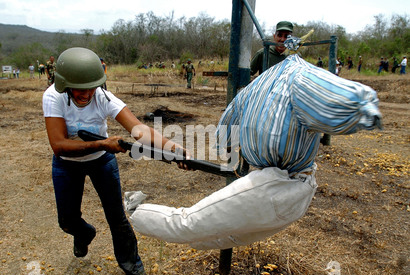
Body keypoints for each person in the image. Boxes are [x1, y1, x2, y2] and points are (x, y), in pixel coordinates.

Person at [127, 54, 382, 251]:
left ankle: (131, 210)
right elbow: (229, 121)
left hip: (278, 184)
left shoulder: (288, 81)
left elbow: (339, 97)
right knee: (223, 236)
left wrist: (363, 107)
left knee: (188, 224)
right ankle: (148, 218)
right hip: (293, 186)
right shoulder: (272, 83)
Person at [42, 47, 188, 275]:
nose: (87, 93)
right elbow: (58, 145)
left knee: (117, 217)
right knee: (67, 221)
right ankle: (83, 233)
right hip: (67, 164)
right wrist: (103, 143)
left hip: (101, 161)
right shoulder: (53, 97)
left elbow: (139, 130)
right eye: (80, 88)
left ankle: (132, 264)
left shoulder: (103, 96)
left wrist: (174, 149)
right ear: (65, 84)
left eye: (92, 86)